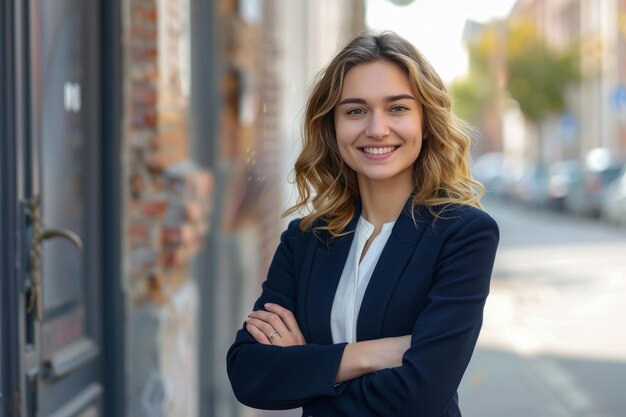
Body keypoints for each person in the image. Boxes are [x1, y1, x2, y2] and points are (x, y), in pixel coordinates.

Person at [226, 31, 499, 417]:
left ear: (426, 121)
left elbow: (420, 394)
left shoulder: (463, 235)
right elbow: (248, 373)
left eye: (398, 108)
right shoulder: (304, 240)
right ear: (333, 126)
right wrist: (370, 355)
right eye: (355, 111)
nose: (377, 129)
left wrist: (308, 366)